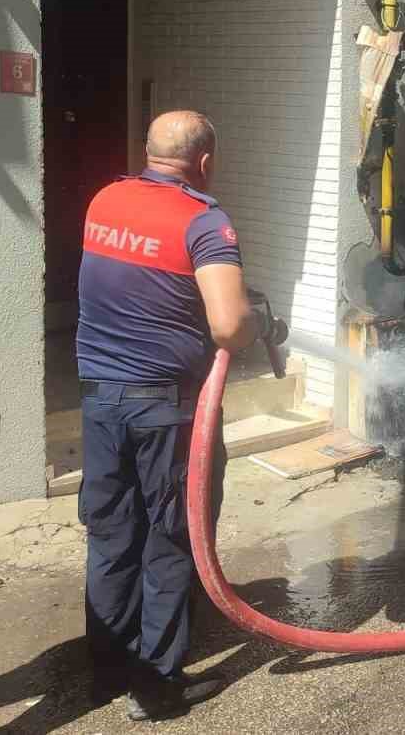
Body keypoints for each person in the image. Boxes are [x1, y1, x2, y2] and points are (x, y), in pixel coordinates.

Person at [75, 110, 286, 721]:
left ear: (149, 152)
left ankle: (106, 673)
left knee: (112, 535)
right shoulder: (204, 220)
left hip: (101, 398)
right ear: (205, 161)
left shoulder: (106, 199)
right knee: (172, 538)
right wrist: (257, 324)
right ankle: (158, 688)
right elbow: (226, 323)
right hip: (166, 408)